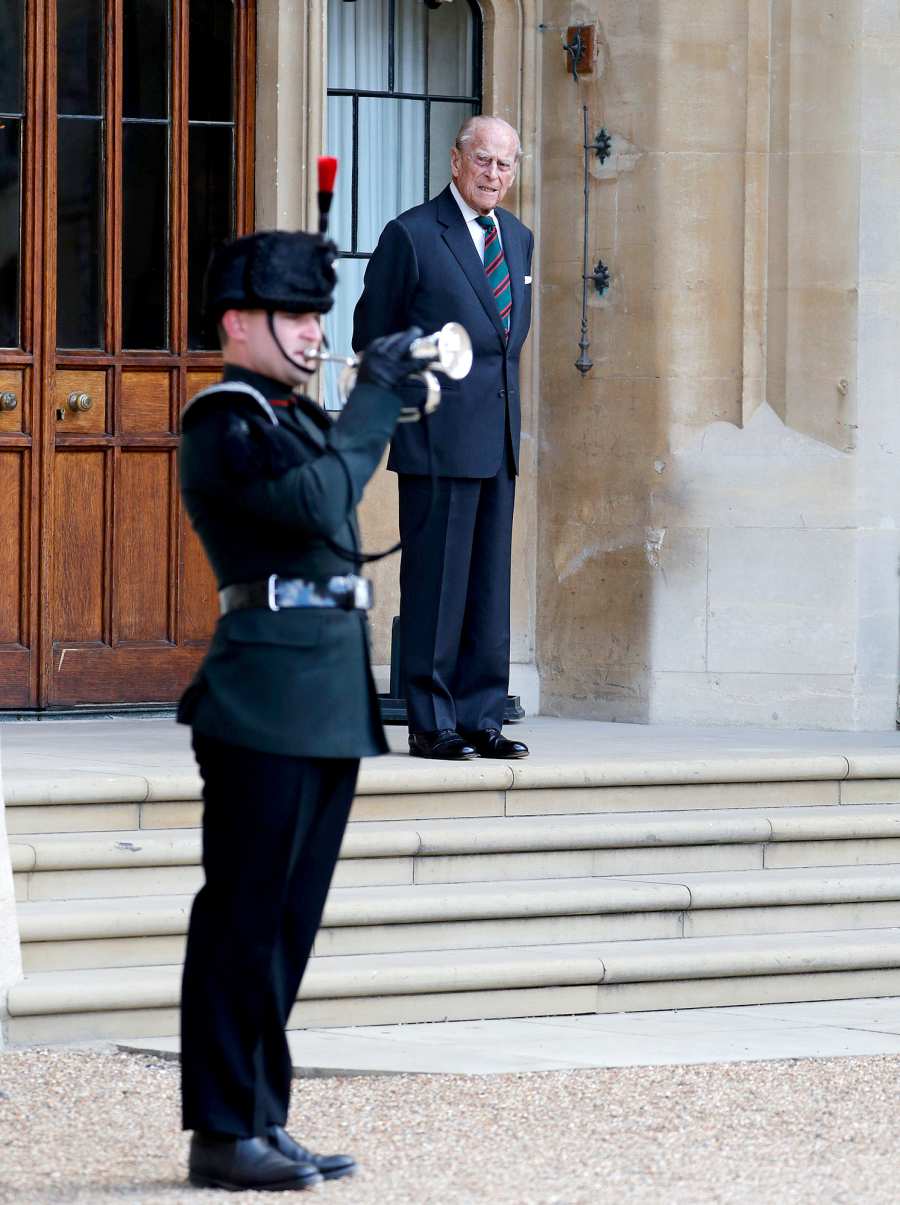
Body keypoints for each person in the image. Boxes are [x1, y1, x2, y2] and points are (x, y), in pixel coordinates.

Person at [176, 228, 422, 1192]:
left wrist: (401, 400)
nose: (316, 333)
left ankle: (262, 1118)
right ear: (240, 322)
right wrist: (373, 400)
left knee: (288, 925)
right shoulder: (223, 418)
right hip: (263, 697)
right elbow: (323, 500)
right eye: (296, 316)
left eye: (321, 316)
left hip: (323, 695)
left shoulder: (295, 413)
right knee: (241, 918)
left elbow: (341, 485)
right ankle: (222, 1127)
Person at [353, 115, 533, 762]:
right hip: (436, 438)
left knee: (488, 588)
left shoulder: (517, 237)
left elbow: (507, 342)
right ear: (456, 160)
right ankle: (432, 723)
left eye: (505, 164)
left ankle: (482, 715)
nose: (493, 175)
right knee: (438, 586)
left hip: (499, 437)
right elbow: (372, 336)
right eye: (483, 161)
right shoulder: (412, 234)